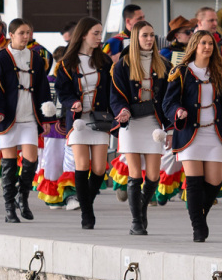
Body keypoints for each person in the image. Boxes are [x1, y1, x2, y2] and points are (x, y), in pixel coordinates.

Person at [163, 30, 222, 242]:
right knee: (194, 182)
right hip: (190, 133)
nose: (207, 47)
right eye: (203, 43)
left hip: (214, 133)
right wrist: (178, 111)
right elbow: (168, 103)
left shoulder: (221, 72)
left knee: (215, 182)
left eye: (210, 44)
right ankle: (198, 226)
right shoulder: (181, 71)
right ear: (194, 46)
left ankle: (200, 216)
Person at [0, 19, 52, 225]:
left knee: (31, 160)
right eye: (21, 33)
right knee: (9, 163)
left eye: (28, 33)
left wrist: (46, 117)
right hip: (7, 117)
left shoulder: (36, 58)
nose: (26, 36)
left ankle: (22, 197)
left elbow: (42, 89)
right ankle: (9, 208)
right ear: (11, 35)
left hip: (29, 116)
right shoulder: (0, 58)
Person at [111, 21, 172, 235]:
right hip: (132, 123)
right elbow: (116, 96)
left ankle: (142, 209)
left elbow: (169, 98)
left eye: (152, 35)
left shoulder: (164, 64)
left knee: (153, 176)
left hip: (154, 123)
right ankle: (136, 221)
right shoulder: (123, 64)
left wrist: (170, 127)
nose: (149, 39)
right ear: (135, 38)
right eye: (145, 35)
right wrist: (123, 110)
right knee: (135, 174)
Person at [55, 18, 116, 230]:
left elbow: (112, 89)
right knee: (82, 165)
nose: (100, 38)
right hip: (78, 121)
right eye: (95, 33)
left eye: (100, 33)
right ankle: (87, 215)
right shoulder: (67, 63)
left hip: (100, 120)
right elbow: (62, 91)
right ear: (83, 35)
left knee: (99, 169)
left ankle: (85, 202)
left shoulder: (105, 61)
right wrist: (73, 103)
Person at [34, 24, 76, 211]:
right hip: (54, 129)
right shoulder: (49, 81)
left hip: (73, 127)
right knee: (52, 161)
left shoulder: (76, 79)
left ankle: (70, 194)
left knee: (71, 160)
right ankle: (55, 196)